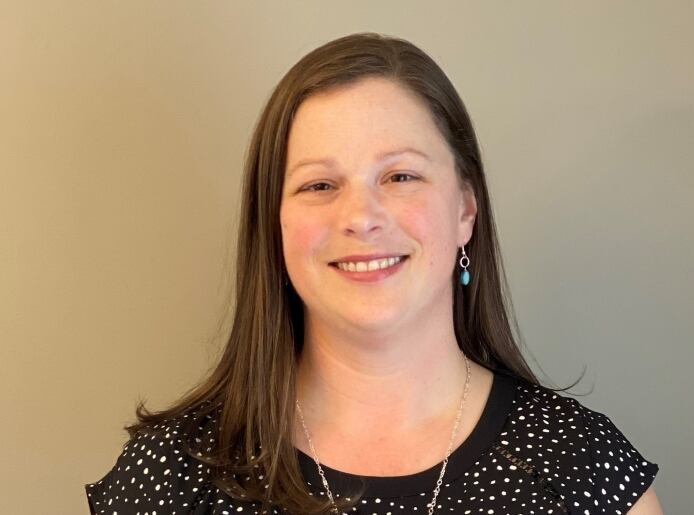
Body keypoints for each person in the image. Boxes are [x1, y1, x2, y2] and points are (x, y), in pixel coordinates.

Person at [85, 32, 662, 514]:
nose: (360, 217)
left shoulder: (582, 467)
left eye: (401, 177)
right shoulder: (171, 475)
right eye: (319, 185)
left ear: (465, 208)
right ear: (276, 226)